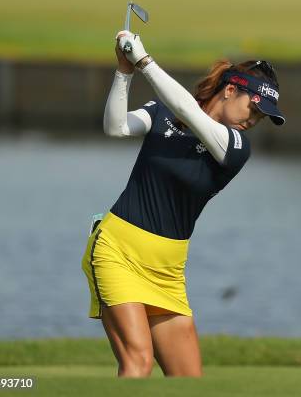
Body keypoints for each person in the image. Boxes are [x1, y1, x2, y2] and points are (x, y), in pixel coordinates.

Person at [80, 30, 286, 378]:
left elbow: (188, 110)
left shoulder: (235, 147)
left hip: (168, 273)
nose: (254, 120)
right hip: (118, 252)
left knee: (189, 381)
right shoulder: (163, 113)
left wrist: (144, 61)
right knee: (137, 362)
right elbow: (116, 126)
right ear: (231, 89)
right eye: (254, 108)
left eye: (262, 117)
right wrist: (125, 71)